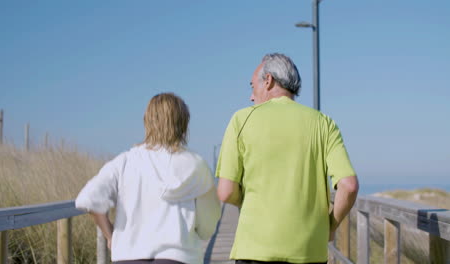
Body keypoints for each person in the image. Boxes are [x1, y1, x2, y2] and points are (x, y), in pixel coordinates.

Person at [216, 53, 359, 264]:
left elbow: (226, 192)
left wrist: (249, 200)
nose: (251, 96)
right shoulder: (323, 123)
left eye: (252, 85)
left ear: (268, 80)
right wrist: (331, 225)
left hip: (255, 249)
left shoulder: (241, 120)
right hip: (309, 251)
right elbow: (349, 185)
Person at [76, 93, 221, 264]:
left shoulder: (125, 162)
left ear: (147, 121)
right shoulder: (196, 165)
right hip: (178, 258)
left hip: (127, 257)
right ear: (183, 124)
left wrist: (111, 236)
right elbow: (208, 225)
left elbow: (88, 199)